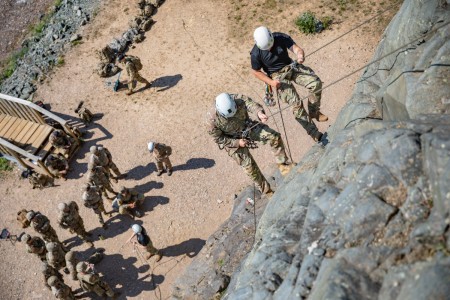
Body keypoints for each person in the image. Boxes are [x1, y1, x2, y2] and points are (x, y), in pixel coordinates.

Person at [251, 26, 327, 142]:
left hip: (290, 67)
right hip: (276, 76)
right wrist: (271, 82)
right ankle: (314, 132)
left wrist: (300, 55)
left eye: (271, 45)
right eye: (267, 48)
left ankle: (314, 112)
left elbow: (295, 48)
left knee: (315, 83)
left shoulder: (280, 37)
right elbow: (256, 72)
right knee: (295, 103)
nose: (270, 49)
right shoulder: (256, 53)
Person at [208, 93, 289, 194]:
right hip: (232, 141)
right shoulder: (212, 120)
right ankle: (267, 192)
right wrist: (237, 142)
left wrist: (259, 113)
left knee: (274, 137)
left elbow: (252, 104)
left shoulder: (239, 99)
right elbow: (218, 138)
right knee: (250, 168)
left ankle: (283, 165)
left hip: (247, 128)